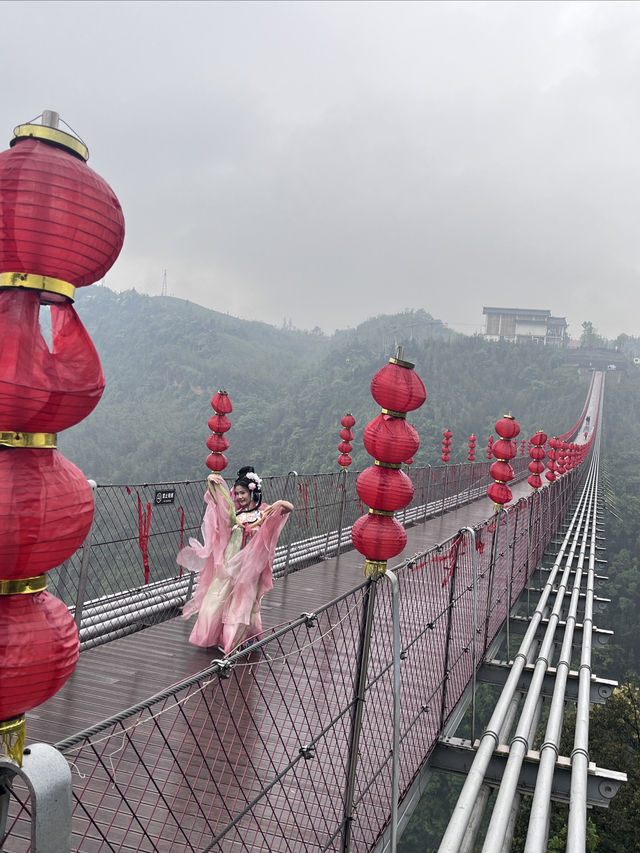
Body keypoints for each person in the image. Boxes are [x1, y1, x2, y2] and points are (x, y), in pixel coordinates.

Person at [178, 466, 293, 653]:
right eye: (237, 493)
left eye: (243, 493)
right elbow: (217, 500)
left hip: (250, 566)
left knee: (243, 601)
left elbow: (288, 508)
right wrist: (212, 479)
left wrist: (279, 502)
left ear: (253, 492)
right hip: (230, 563)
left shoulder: (262, 514)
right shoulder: (235, 516)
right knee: (218, 597)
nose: (239, 497)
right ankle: (216, 635)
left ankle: (236, 639)